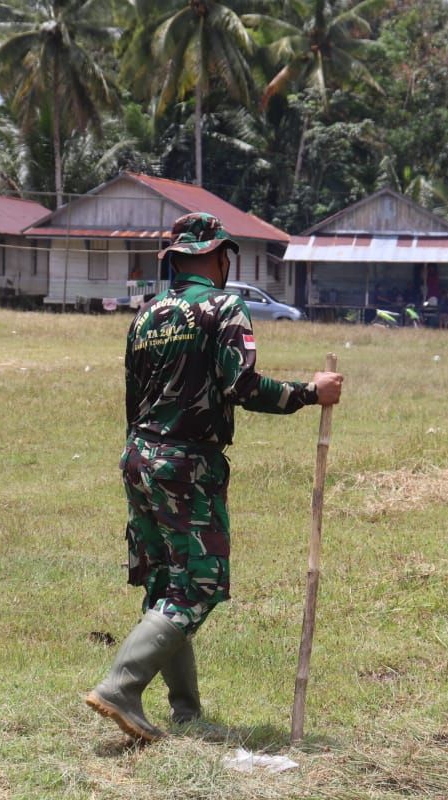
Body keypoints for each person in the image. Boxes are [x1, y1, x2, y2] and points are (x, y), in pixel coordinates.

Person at [85, 212, 344, 741]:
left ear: (177, 258)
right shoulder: (225, 305)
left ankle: (185, 713)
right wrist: (309, 393)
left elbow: (135, 400)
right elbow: (242, 387)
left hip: (139, 455)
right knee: (199, 585)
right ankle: (120, 686)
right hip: (187, 463)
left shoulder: (148, 314)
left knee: (165, 583)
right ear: (220, 256)